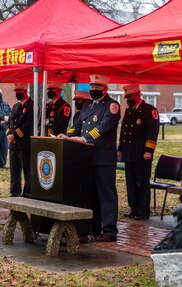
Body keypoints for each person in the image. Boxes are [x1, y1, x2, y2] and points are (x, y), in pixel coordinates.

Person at [59, 74, 121, 242]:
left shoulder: (112, 106)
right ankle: (90, 229)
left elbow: (103, 127)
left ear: (105, 89)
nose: (93, 90)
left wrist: (85, 138)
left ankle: (109, 231)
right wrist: (67, 135)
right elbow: (78, 125)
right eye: (92, 87)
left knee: (106, 194)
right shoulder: (87, 105)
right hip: (87, 158)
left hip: (103, 158)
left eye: (97, 88)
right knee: (89, 195)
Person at [118, 84, 159, 220]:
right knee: (130, 182)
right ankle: (134, 208)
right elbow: (123, 131)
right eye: (127, 97)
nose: (128, 100)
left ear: (138, 95)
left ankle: (143, 209)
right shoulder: (129, 111)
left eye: (130, 97)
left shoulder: (149, 110)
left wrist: (149, 150)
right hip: (129, 153)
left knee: (142, 182)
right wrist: (120, 148)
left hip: (142, 154)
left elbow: (152, 133)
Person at [7, 83, 33, 197]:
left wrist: (15, 136)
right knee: (14, 171)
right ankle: (14, 192)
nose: (17, 94)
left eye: (19, 92)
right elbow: (10, 123)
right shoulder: (16, 106)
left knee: (27, 171)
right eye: (16, 92)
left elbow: (28, 125)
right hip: (13, 145)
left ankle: (27, 193)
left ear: (25, 91)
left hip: (24, 144)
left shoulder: (32, 105)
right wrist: (9, 134)